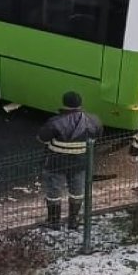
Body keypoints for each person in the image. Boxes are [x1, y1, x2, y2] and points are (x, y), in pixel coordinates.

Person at [36, 91, 103, 230]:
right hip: (80, 163)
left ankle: (54, 221)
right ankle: (74, 220)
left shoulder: (55, 122)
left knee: (54, 192)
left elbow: (42, 138)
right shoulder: (93, 120)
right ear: (81, 103)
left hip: (56, 163)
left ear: (64, 103)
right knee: (77, 191)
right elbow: (97, 137)